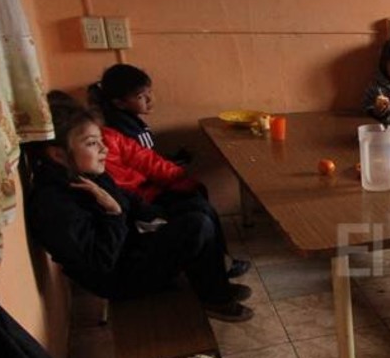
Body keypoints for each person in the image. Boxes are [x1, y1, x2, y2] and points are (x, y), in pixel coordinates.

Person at [27, 92, 254, 322]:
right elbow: (100, 263)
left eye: (101, 141)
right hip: (118, 279)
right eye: (92, 144)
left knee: (196, 206)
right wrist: (113, 214)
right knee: (197, 225)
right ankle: (215, 298)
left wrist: (160, 218)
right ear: (58, 154)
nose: (104, 150)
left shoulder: (83, 175)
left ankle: (216, 283)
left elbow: (127, 199)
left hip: (131, 247)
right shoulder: (53, 204)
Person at [99, 125, 250, 278]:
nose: (101, 148)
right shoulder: (87, 175)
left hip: (148, 192)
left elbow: (146, 160)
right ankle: (215, 278)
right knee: (197, 218)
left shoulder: (108, 135)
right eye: (91, 143)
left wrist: (178, 178)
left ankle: (219, 263)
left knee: (197, 196)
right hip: (139, 205)